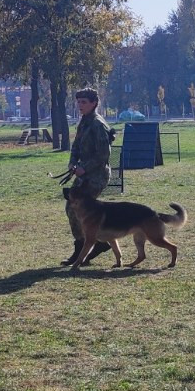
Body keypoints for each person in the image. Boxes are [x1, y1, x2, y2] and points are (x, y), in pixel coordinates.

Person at [61, 87, 115, 266]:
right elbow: (76, 145)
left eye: (84, 102)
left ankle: (86, 248)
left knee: (77, 209)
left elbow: (103, 155)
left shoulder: (98, 124)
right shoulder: (84, 121)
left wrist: (84, 168)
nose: (80, 105)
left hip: (97, 176)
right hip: (84, 174)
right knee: (72, 208)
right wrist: (72, 162)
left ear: (94, 103)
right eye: (78, 102)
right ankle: (89, 246)